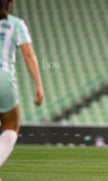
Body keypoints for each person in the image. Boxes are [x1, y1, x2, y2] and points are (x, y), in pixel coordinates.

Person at [0, 0, 44, 168]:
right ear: (10, 4)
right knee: (11, 126)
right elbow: (28, 55)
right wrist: (39, 86)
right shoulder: (16, 24)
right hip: (4, 78)